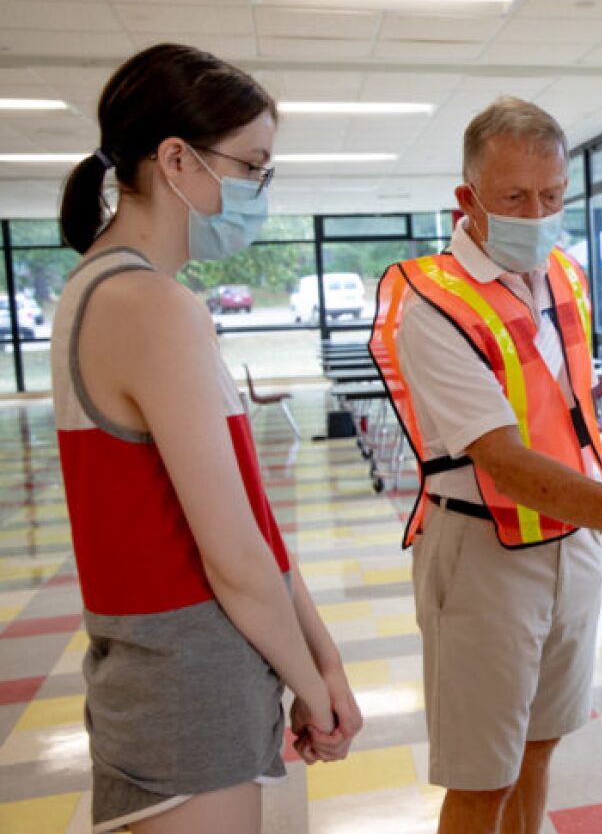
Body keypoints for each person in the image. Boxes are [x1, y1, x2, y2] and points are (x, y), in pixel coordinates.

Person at [371, 96, 602, 834]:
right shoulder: (433, 306)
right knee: (481, 777)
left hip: (572, 541)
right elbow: (504, 461)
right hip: (483, 554)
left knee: (540, 746)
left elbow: (563, 411)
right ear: (467, 199)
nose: (536, 213)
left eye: (553, 195)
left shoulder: (562, 275)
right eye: (513, 197)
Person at [53, 44, 362, 834]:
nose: (260, 189)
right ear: (178, 160)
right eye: (252, 165)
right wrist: (317, 688)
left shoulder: (100, 288)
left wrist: (319, 659)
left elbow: (251, 523)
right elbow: (231, 556)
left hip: (164, 685)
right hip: (188, 692)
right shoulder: (148, 306)